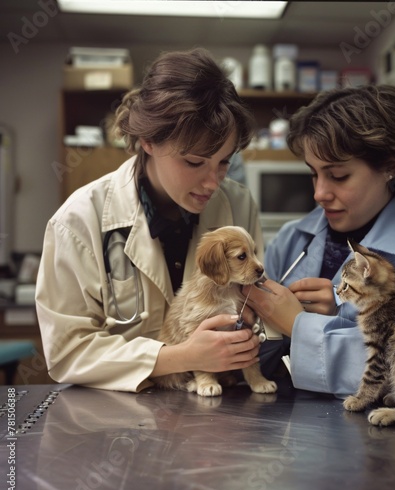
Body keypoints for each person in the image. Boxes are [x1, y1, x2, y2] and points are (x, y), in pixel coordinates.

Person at [35, 48, 263, 392]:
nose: (213, 182)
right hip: (117, 425)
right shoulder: (79, 220)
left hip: (217, 415)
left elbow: (256, 308)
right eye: (194, 162)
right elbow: (67, 351)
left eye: (224, 162)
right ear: (148, 142)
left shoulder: (239, 204)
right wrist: (183, 357)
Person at [245, 85, 395, 399]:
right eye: (313, 174)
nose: (319, 193)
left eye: (338, 176)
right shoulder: (291, 240)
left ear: (390, 166)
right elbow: (261, 363)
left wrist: (302, 325)